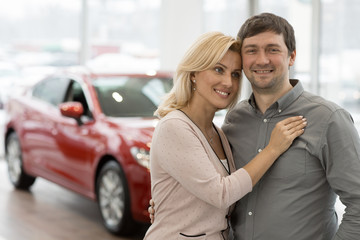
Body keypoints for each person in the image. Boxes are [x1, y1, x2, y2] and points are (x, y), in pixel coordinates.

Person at [143, 31, 306, 240]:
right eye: (219, 70)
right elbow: (221, 194)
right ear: (193, 73)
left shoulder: (219, 133)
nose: (228, 83)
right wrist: (273, 149)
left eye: (235, 74)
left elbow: (227, 200)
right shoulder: (174, 127)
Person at [222, 12, 360, 240]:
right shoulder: (234, 120)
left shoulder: (329, 118)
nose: (262, 60)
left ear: (292, 56)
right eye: (252, 50)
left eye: (273, 49)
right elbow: (220, 190)